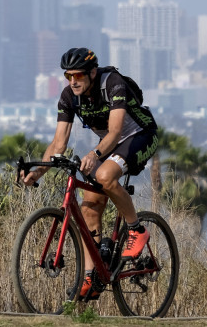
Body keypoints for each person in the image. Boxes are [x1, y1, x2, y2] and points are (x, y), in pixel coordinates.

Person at [20, 47, 160, 301]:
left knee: (105, 176)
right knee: (89, 206)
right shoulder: (68, 96)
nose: (73, 81)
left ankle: (136, 230)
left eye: (78, 76)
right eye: (68, 76)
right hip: (108, 144)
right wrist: (39, 171)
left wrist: (94, 155)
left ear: (92, 73)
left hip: (139, 136)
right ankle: (91, 276)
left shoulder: (112, 83)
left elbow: (116, 132)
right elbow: (58, 143)